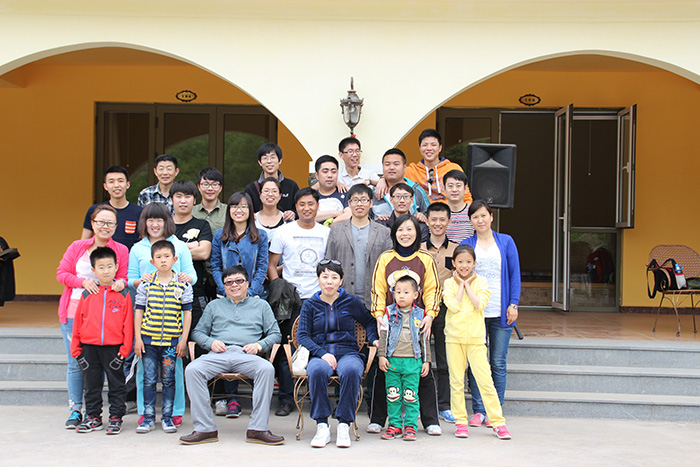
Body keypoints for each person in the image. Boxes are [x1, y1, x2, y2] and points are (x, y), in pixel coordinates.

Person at [180, 266, 284, 446]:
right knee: (192, 370)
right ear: (224, 287)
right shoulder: (214, 306)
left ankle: (258, 429)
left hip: (246, 354)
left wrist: (259, 345)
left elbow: (275, 334)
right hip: (218, 353)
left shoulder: (261, 305)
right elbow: (197, 333)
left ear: (247, 284)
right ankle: (205, 429)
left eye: (239, 281)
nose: (234, 285)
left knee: (266, 369)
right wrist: (210, 342)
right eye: (229, 282)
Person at [368, 214, 442, 436]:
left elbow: (432, 289)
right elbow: (378, 289)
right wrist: (378, 315)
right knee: (384, 369)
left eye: (410, 229)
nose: (405, 234)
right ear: (394, 233)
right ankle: (378, 419)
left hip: (418, 320)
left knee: (422, 369)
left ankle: (430, 420)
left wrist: (430, 315)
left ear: (417, 233)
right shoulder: (386, 258)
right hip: (391, 320)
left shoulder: (425, 258)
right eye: (400, 230)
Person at [56, 204, 129, 429]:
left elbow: (124, 276)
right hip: (75, 310)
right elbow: (62, 273)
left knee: (104, 367)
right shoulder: (77, 246)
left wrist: (121, 282)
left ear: (115, 226)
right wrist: (83, 282)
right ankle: (76, 409)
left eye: (110, 223)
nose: (105, 226)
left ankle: (98, 413)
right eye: (100, 222)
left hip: (108, 315)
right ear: (92, 224)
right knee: (76, 363)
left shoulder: (121, 250)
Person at [128, 202, 197, 428]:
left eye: (159, 219)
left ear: (167, 221)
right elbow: (130, 279)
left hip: (173, 318)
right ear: (144, 223)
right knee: (144, 371)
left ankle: (175, 411)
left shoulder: (180, 246)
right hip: (148, 316)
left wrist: (185, 278)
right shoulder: (137, 248)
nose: (155, 224)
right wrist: (141, 281)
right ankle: (144, 412)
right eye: (150, 220)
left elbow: (192, 276)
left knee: (174, 370)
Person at [297, 259, 379, 448]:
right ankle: (322, 425)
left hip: (348, 352)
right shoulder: (310, 304)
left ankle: (344, 424)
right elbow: (302, 335)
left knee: (351, 370)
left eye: (334, 277)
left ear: (341, 281)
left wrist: (373, 338)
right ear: (318, 279)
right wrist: (321, 353)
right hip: (320, 354)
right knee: (317, 371)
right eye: (325, 276)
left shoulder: (350, 301)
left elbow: (369, 321)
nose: (329, 281)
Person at [268, 187, 330, 416]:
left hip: (319, 299)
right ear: (295, 207)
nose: (306, 208)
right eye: (302, 204)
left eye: (311, 203)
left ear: (317, 206)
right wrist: (279, 288)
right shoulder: (283, 232)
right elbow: (272, 265)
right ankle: (286, 399)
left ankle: (316, 397)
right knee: (289, 351)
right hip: (291, 300)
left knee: (318, 349)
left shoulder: (326, 233)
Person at [460, 200, 520, 428]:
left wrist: (514, 304)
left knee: (498, 362)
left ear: (491, 217)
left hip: (501, 309)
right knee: (477, 362)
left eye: (483, 215)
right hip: (475, 312)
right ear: (471, 221)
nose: (480, 220)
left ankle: (495, 410)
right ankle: (478, 410)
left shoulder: (506, 241)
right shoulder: (467, 244)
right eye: (475, 217)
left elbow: (515, 274)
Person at [442, 244, 511, 439]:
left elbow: (480, 304)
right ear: (454, 263)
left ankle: (498, 422)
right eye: (460, 262)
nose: (464, 266)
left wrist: (468, 285)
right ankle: (460, 422)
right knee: (456, 382)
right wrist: (460, 285)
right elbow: (453, 306)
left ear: (474, 263)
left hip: (476, 339)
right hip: (454, 338)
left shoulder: (481, 282)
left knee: (485, 381)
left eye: (468, 262)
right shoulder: (448, 283)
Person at [210, 192, 269, 417]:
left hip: (253, 298)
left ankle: (256, 397)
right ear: (229, 210)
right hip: (225, 297)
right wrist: (226, 288)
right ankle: (232, 398)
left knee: (250, 344)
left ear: (250, 211)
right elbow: (215, 265)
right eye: (235, 206)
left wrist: (249, 292)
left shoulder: (260, 236)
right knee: (228, 343)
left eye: (244, 207)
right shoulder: (220, 236)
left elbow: (262, 267)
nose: (239, 210)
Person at [71, 247, 134, 435]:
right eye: (101, 267)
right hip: (89, 348)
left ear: (116, 267)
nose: (106, 271)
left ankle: (115, 417)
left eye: (109, 266)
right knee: (91, 385)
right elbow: (78, 322)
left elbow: (128, 324)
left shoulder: (123, 294)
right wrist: (76, 350)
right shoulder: (87, 293)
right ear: (93, 270)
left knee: (117, 385)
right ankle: (93, 417)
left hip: (114, 348)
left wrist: (125, 350)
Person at [377, 272, 431, 441]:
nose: (401, 295)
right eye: (398, 292)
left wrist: (426, 360)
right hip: (392, 361)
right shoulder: (389, 313)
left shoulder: (421, 315)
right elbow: (383, 336)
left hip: (412, 362)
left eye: (406, 292)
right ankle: (394, 425)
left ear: (415, 295)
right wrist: (381, 356)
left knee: (410, 396)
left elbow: (424, 339)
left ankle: (410, 426)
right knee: (392, 395)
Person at [325, 184, 391, 310]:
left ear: (371, 203)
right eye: (355, 200)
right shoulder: (336, 231)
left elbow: (388, 266)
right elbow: (329, 264)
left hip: (375, 300)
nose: (359, 204)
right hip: (342, 299)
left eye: (364, 200)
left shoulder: (384, 232)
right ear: (349, 204)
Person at [422, 202, 458, 423]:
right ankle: (417, 403)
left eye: (442, 219)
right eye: (433, 219)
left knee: (445, 359)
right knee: (420, 358)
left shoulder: (457, 250)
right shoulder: (418, 248)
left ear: (449, 222)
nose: (438, 223)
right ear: (427, 221)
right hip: (422, 310)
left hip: (446, 310)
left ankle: (444, 405)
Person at [172, 180, 213, 338]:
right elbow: (157, 254)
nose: (183, 201)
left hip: (194, 292)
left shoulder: (202, 225)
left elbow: (204, 253)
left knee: (197, 338)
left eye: (187, 196)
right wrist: (190, 245)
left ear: (194, 200)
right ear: (172, 199)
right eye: (179, 196)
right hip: (164, 292)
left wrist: (173, 250)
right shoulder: (164, 226)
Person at [403, 129, 473, 204]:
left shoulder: (453, 168)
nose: (429, 148)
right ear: (420, 148)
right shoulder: (410, 171)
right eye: (425, 145)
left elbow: (466, 197)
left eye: (433, 145)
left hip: (449, 210)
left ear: (440, 148)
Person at [81, 165, 143, 250]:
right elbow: (83, 242)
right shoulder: (95, 210)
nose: (116, 185)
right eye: (111, 182)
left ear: (128, 184)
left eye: (120, 181)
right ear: (105, 186)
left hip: (128, 258)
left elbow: (144, 242)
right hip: (100, 257)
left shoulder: (140, 212)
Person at [245, 142, 299, 221]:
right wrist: (249, 215)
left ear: (280, 160)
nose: (269, 161)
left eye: (273, 157)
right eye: (265, 158)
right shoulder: (251, 188)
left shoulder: (291, 185)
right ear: (259, 162)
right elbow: (245, 210)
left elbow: (300, 209)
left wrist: (293, 213)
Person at [372, 148, 430, 219]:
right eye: (387, 164)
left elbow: (429, 214)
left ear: (404, 167)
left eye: (396, 164)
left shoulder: (416, 191)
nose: (391, 167)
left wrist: (421, 217)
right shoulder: (374, 193)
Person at [314, 155, 351, 225]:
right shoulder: (311, 196)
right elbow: (308, 217)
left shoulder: (346, 194)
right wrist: (336, 213)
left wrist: (328, 225)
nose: (330, 175)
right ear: (317, 175)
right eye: (325, 172)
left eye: (333, 172)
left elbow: (348, 216)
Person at [254, 177, 290, 248]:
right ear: (260, 195)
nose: (270, 194)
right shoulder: (252, 221)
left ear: (280, 196)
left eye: (274, 191)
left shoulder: (288, 221)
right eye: (266, 191)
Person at [443, 170, 474, 243]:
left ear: (465, 188)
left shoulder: (473, 212)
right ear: (444, 189)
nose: (454, 190)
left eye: (458, 186)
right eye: (450, 186)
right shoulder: (439, 213)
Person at [193, 167, 227, 232]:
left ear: (220, 188)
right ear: (199, 187)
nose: (210, 188)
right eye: (205, 184)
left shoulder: (228, 211)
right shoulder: (191, 212)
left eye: (214, 184)